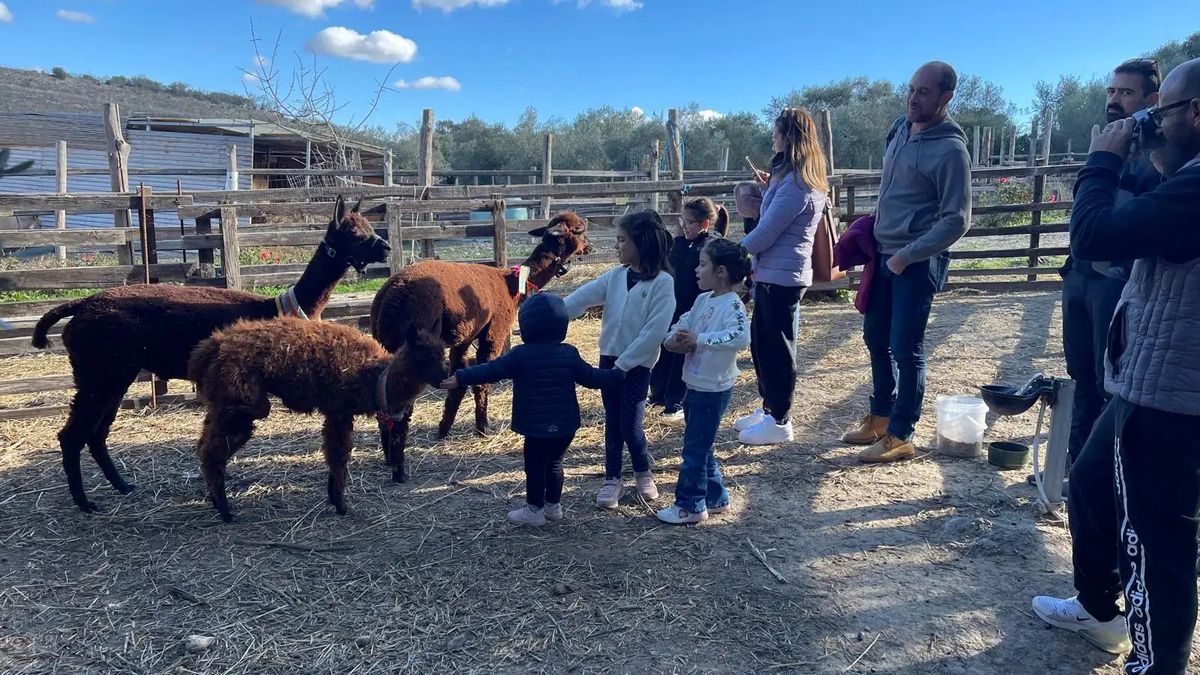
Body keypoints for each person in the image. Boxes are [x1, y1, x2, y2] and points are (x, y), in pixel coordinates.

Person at [1032, 57, 1200, 675]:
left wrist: (1102, 162)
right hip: (1151, 376)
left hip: (1172, 394)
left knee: (1159, 542)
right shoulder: (1185, 176)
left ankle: (1157, 666)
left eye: (1162, 112)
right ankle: (1099, 607)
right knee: (1096, 486)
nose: (1150, 123)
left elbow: (1096, 235)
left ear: (1197, 112)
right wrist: (1156, 148)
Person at [841, 61, 971, 463]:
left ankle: (901, 434)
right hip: (883, 255)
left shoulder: (951, 150)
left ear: (946, 98)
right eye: (911, 90)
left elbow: (957, 219)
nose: (914, 99)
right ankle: (880, 415)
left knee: (906, 348)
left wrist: (907, 255)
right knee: (874, 338)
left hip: (915, 261)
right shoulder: (899, 128)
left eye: (924, 92)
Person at [1059, 58, 1161, 470]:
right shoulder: (1105, 140)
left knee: (1109, 380)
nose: (1114, 100)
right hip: (1081, 274)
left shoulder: (1159, 152)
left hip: (1117, 280)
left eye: (1126, 93)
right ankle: (1074, 465)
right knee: (1079, 374)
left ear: (1152, 100)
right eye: (1111, 91)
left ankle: (1106, 473)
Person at [443, 294, 622, 526]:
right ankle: (553, 507)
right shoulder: (569, 353)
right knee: (555, 464)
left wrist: (460, 377)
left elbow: (491, 370)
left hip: (535, 427)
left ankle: (534, 510)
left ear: (527, 326)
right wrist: (619, 374)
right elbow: (592, 378)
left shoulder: (520, 355)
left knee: (535, 466)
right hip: (565, 426)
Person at [564, 210, 675, 509]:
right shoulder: (615, 276)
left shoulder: (662, 284)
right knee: (612, 422)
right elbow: (582, 296)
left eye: (622, 240)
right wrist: (553, 313)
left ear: (643, 243)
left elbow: (654, 332)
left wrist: (623, 366)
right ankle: (612, 479)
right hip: (608, 360)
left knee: (631, 425)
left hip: (636, 366)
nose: (617, 246)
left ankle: (642, 472)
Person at [732, 107, 830, 446]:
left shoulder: (798, 184)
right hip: (773, 273)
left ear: (788, 137)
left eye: (775, 133)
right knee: (763, 346)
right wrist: (768, 187)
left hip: (782, 275)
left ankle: (780, 419)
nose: (772, 139)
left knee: (776, 350)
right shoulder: (790, 179)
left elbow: (767, 232)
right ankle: (769, 407)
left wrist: (734, 252)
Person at [656, 238, 752, 525]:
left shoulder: (733, 305)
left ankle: (690, 504)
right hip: (695, 384)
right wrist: (673, 340)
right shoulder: (702, 300)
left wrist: (701, 341)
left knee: (694, 449)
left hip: (714, 388)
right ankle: (716, 497)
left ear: (720, 271)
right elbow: (685, 323)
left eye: (702, 264)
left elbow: (740, 337)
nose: (696, 270)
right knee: (702, 444)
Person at [649, 197, 729, 423]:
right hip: (673, 306)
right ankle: (658, 395)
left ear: (704, 224)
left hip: (696, 309)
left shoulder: (712, 247)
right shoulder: (680, 243)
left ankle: (677, 401)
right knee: (664, 350)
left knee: (682, 356)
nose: (684, 226)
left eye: (689, 222)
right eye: (682, 221)